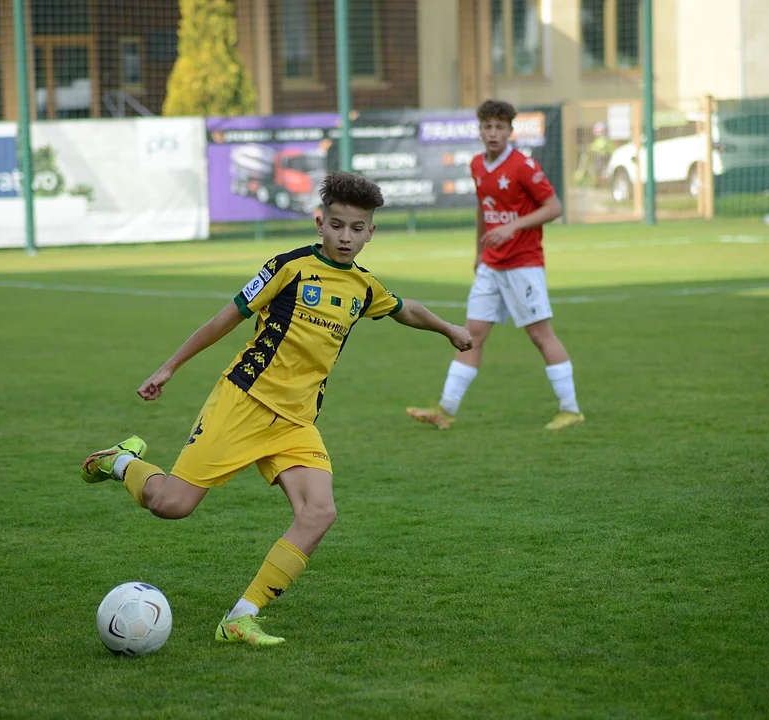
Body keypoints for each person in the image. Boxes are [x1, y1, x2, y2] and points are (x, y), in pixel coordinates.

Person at [81, 172, 473, 647]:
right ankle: (120, 460)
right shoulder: (289, 268)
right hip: (243, 402)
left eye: (356, 228)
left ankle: (240, 617)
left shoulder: (365, 288)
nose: (345, 236)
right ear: (319, 222)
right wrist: (169, 368)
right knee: (170, 506)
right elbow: (226, 317)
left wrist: (449, 329)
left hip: (296, 422)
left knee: (319, 512)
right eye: (336, 224)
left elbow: (406, 309)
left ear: (371, 232)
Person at [406, 99, 583, 431]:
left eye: (500, 127)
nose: (493, 133)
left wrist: (512, 227)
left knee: (539, 334)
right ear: (480, 130)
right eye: (487, 127)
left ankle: (571, 410)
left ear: (510, 132)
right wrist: (478, 252)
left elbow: (554, 207)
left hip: (523, 263)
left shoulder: (523, 166)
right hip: (491, 264)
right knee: (472, 334)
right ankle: (446, 409)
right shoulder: (476, 165)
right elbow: (482, 210)